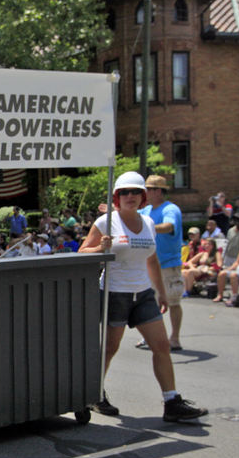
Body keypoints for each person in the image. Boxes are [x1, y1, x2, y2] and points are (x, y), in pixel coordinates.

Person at [78, 171, 207, 422]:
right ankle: (94, 394)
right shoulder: (106, 222)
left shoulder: (148, 223)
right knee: (110, 348)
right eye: (124, 192)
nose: (130, 196)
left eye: (135, 192)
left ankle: (172, 402)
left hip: (143, 293)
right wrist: (99, 248)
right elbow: (83, 252)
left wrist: (159, 292)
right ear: (116, 197)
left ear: (143, 196)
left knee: (161, 345)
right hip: (115, 293)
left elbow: (151, 259)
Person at [138, 174, 185, 351]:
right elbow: (130, 219)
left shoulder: (170, 209)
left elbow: (168, 226)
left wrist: (147, 227)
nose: (145, 193)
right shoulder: (146, 210)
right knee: (149, 303)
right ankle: (150, 337)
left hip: (168, 264)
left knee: (173, 302)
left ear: (158, 191)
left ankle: (175, 338)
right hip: (149, 265)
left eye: (147, 189)